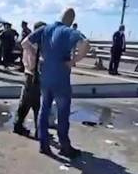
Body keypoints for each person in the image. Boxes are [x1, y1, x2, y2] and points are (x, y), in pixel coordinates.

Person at [24, 8, 90, 157]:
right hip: (61, 78)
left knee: (44, 109)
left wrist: (37, 55)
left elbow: (24, 43)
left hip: (45, 76)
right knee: (62, 112)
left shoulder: (45, 28)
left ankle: (44, 144)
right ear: (72, 20)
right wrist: (73, 61)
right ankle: (64, 146)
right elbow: (86, 44)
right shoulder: (69, 31)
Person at [13, 21, 46, 138]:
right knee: (36, 105)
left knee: (26, 103)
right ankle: (39, 130)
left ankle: (19, 125)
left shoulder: (32, 43)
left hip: (29, 75)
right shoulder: (33, 44)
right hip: (32, 75)